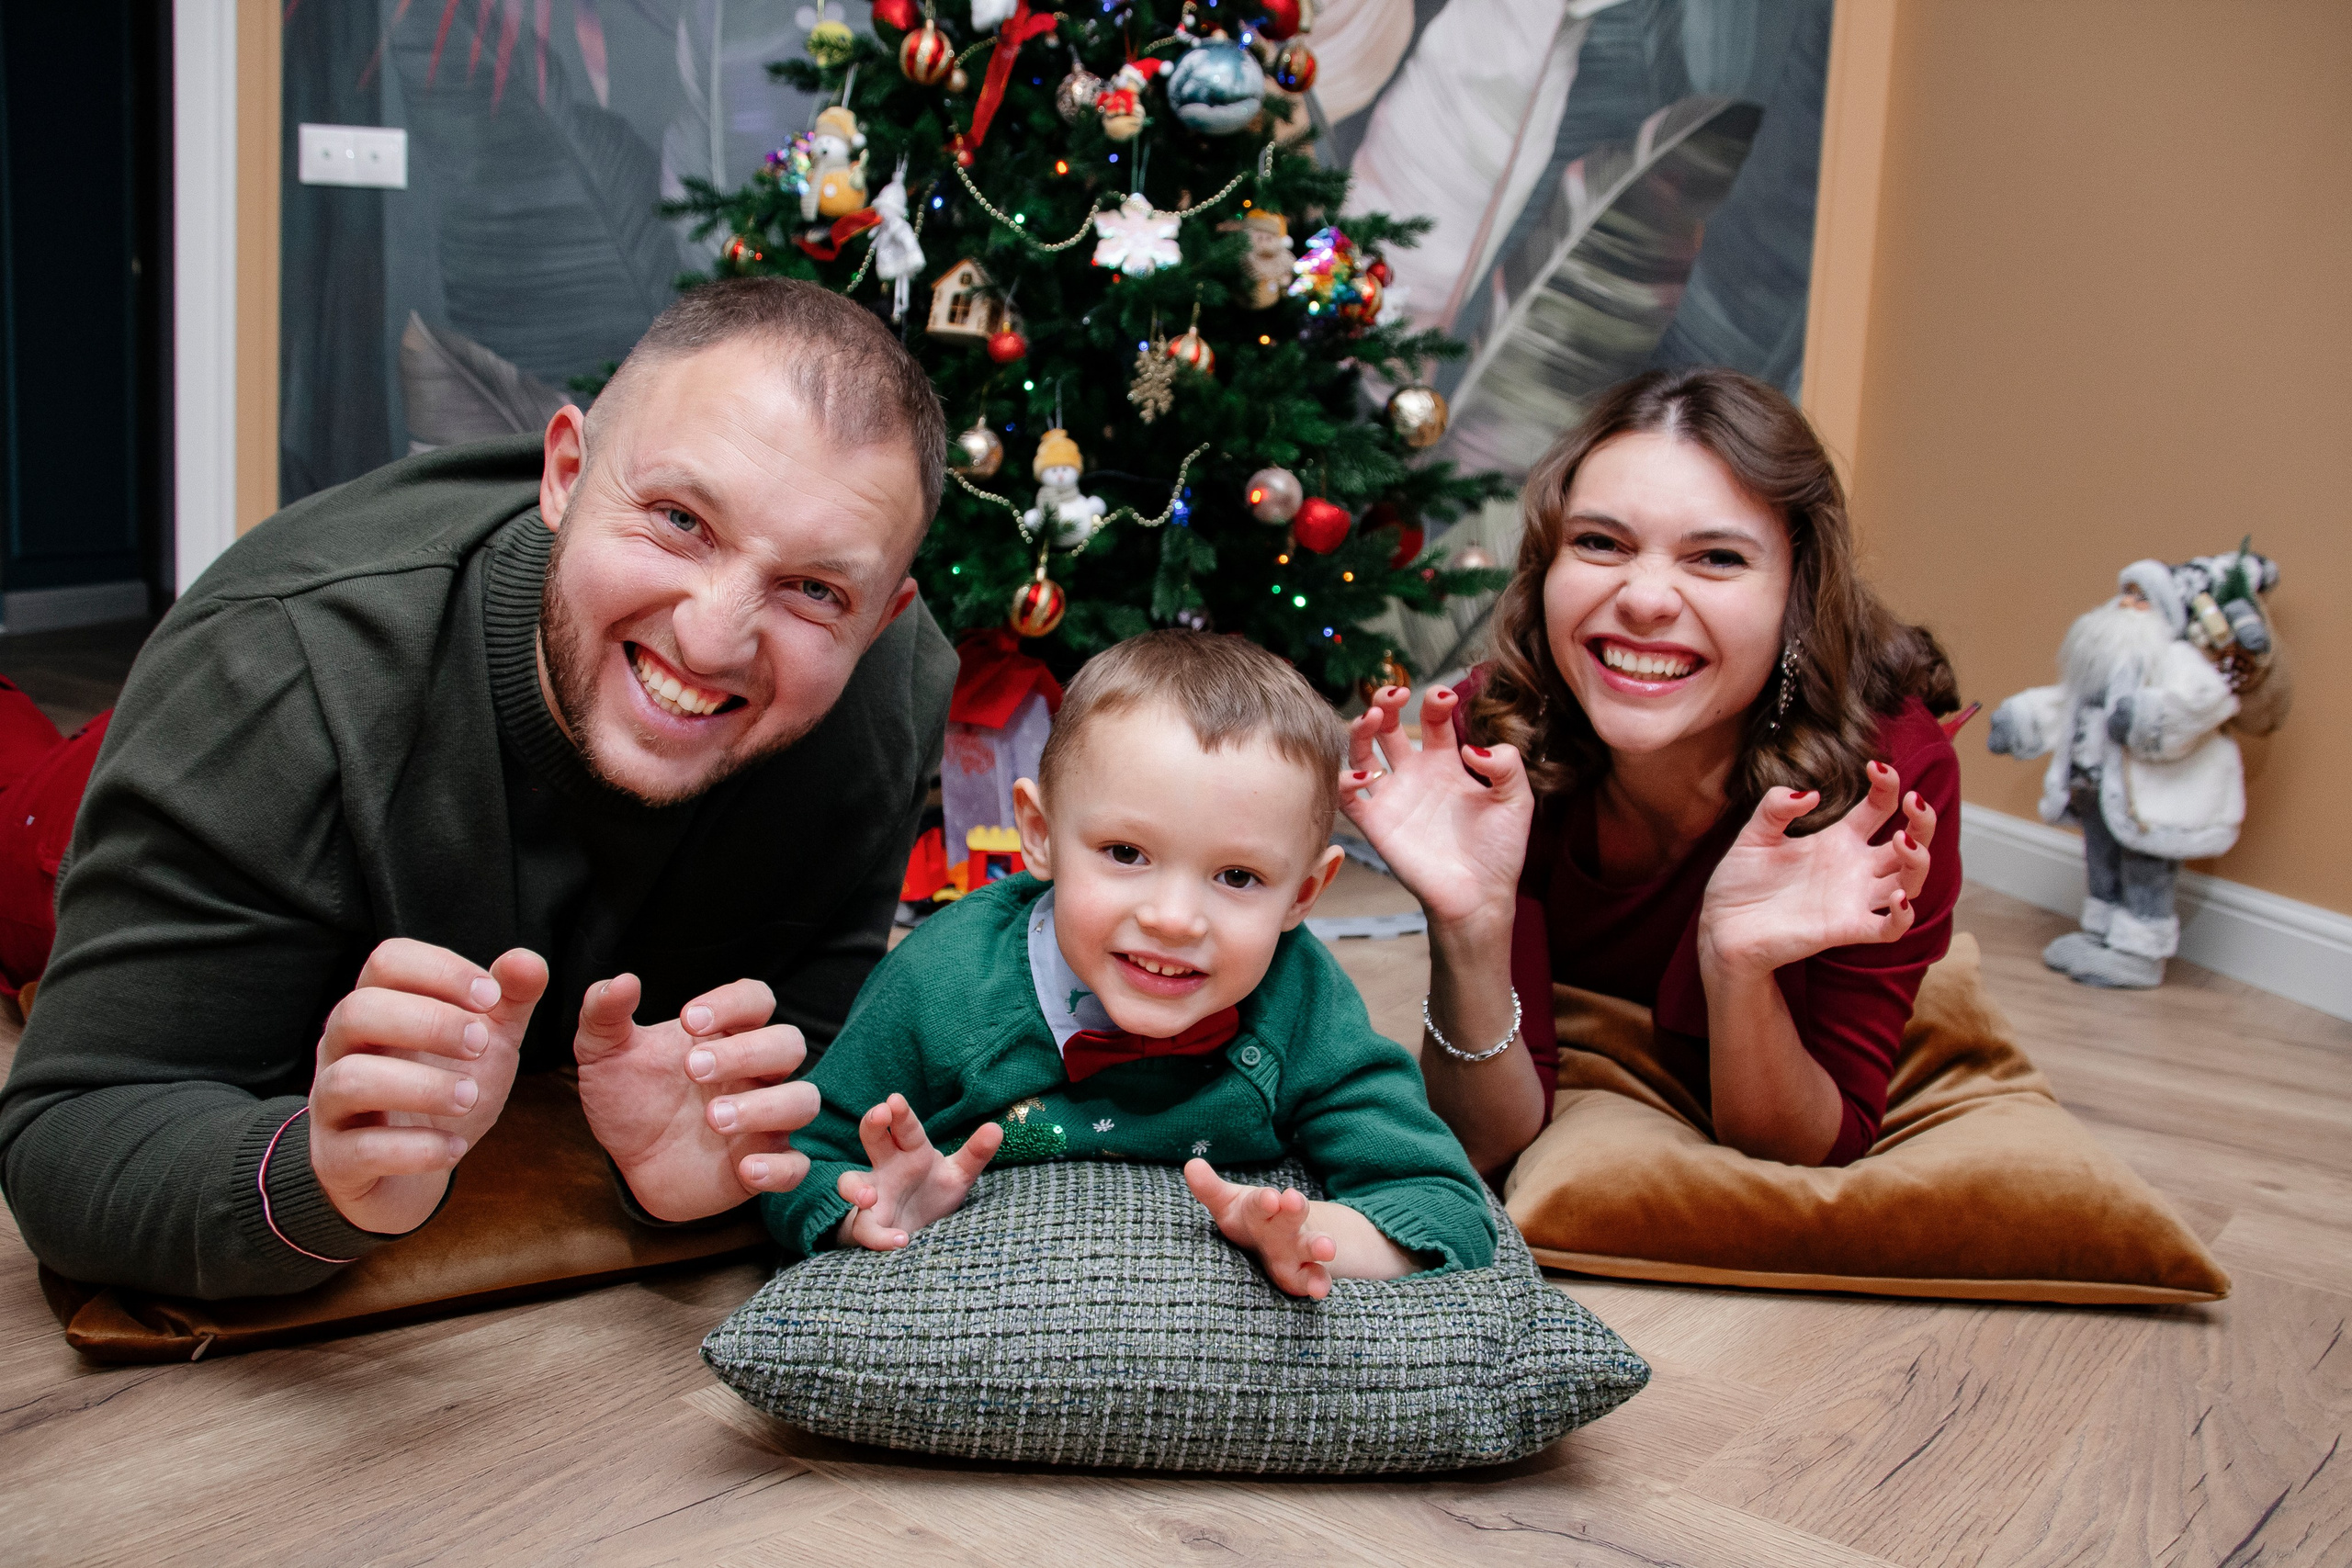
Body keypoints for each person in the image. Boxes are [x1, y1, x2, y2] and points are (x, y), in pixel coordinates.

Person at [0, 279, 957, 1298]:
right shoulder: (271, 677)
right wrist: (325, 1177)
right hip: (128, 804)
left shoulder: (890, 692)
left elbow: (807, 1061)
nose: (713, 637)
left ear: (881, 614)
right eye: (679, 519)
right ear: (566, 472)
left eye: (815, 590)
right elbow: (70, 1134)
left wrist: (710, 1178)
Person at [1343, 367, 1959, 1174]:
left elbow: (1811, 1143)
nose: (1645, 598)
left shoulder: (1890, 785)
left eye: (1716, 557)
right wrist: (1469, 923)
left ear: (1798, 594)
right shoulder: (1494, 738)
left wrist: (1739, 967)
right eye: (1600, 543)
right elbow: (1485, 1144)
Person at [759, 631, 1496, 1298]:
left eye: (1237, 876)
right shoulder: (941, 985)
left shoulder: (1301, 1001)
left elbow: (1444, 1204)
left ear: (1303, 893)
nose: (1173, 918)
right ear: (1041, 835)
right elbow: (798, 1148)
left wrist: (1315, 1236)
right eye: (1125, 853)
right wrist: (866, 1208)